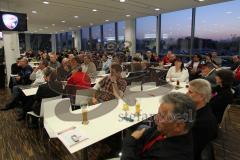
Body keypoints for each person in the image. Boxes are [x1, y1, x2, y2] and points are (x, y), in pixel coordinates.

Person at [121, 92, 197, 160]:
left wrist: (130, 142)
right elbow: (147, 134)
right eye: (158, 113)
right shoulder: (168, 129)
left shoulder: (171, 156)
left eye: (162, 116)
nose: (155, 118)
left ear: (178, 126)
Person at [187, 79, 218, 160]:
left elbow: (189, 148)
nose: (186, 94)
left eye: (190, 92)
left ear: (201, 96)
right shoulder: (198, 109)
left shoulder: (204, 121)